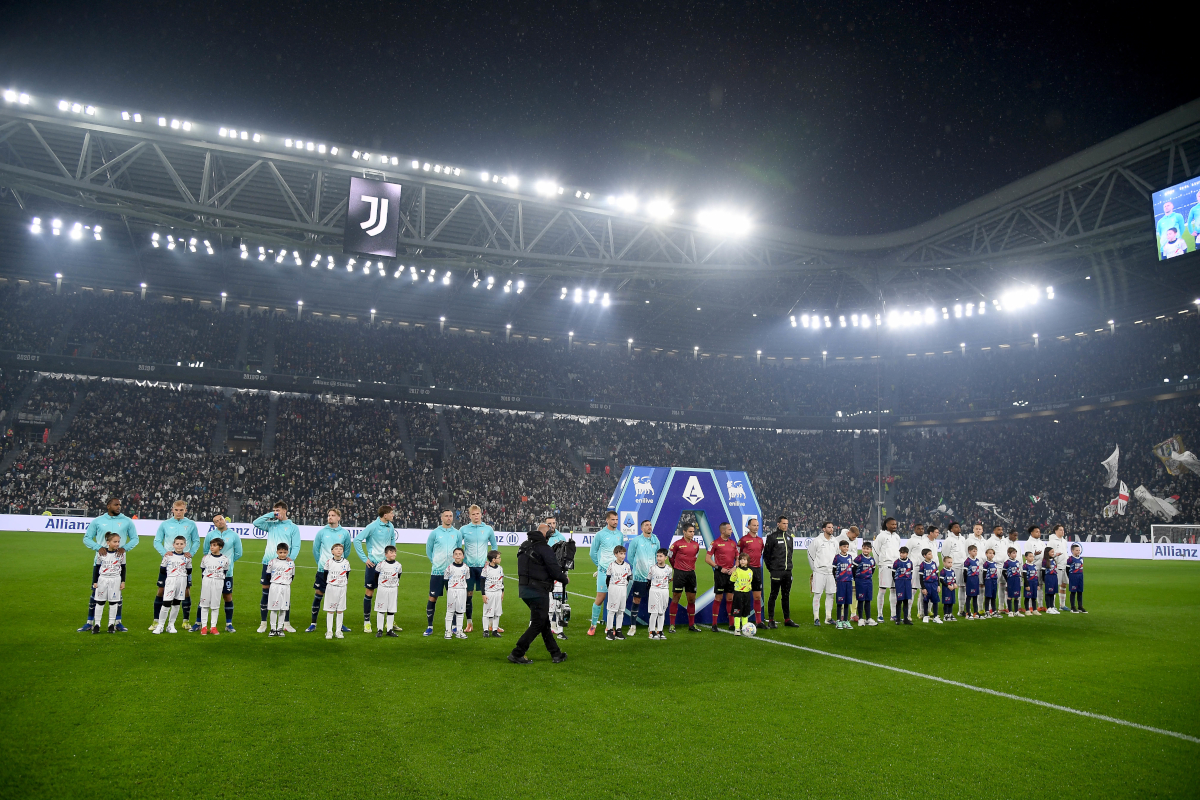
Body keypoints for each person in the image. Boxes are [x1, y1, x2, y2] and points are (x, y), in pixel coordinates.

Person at [509, 524, 569, 664]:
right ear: (545, 535)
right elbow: (554, 571)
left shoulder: (524, 545)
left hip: (524, 589)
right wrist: (564, 578)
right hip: (538, 590)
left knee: (543, 622)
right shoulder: (544, 548)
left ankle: (556, 654)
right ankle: (517, 652)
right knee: (538, 623)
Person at [80, 496, 138, 632]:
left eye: (120, 505)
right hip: (101, 563)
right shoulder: (98, 521)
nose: (119, 507)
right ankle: (90, 622)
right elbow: (87, 538)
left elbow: (135, 539)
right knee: (95, 592)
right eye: (116, 504)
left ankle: (117, 622)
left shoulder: (127, 521)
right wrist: (97, 547)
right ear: (108, 506)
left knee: (117, 594)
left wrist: (125, 548)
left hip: (117, 563)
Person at [152, 500, 200, 632]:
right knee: (161, 590)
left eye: (181, 510)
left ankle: (185, 621)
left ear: (185, 510)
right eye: (176, 510)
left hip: (183, 564)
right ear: (172, 510)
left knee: (185, 591)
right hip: (169, 563)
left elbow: (196, 541)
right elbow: (157, 541)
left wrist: (190, 553)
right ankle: (156, 621)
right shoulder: (165, 524)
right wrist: (165, 553)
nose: (178, 512)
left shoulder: (191, 524)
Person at [254, 502, 301, 634]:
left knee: (284, 593)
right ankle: (263, 623)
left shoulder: (292, 527)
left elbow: (296, 545)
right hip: (268, 562)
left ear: (285, 510)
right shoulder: (271, 524)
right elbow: (256, 523)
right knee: (266, 592)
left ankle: (286, 623)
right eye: (274, 510)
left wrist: (291, 558)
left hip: (284, 564)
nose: (276, 512)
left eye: (278, 510)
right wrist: (271, 515)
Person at [307, 508, 352, 633]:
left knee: (337, 598)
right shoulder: (321, 532)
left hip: (338, 572)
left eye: (333, 515)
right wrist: (321, 563)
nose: (330, 517)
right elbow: (315, 550)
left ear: (339, 518)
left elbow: (347, 550)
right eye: (328, 515)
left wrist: (339, 564)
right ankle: (313, 623)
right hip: (323, 569)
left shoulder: (344, 533)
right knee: (318, 595)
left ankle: (339, 624)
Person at [424, 509, 463, 637]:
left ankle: (453, 626)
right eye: (446, 516)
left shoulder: (457, 534)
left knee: (453, 599)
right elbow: (429, 550)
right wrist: (435, 562)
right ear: (442, 518)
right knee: (432, 597)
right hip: (437, 571)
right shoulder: (435, 533)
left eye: (450, 516)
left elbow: (458, 550)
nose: (448, 518)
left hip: (452, 573)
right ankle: (430, 626)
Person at [459, 504, 497, 633]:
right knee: (468, 596)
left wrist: (491, 559)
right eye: (473, 514)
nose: (476, 516)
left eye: (478, 514)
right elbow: (458, 547)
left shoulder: (488, 529)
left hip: (483, 568)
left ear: (481, 514)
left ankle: (492, 624)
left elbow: (494, 545)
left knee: (489, 595)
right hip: (469, 568)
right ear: (469, 516)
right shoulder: (464, 529)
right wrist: (462, 560)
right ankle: (469, 623)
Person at [201, 514, 241, 633]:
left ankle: (228, 623)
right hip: (210, 573)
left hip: (226, 573)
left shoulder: (234, 535)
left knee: (227, 596)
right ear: (214, 524)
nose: (220, 522)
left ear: (225, 520)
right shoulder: (210, 535)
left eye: (221, 519)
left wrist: (225, 563)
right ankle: (199, 623)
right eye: (216, 521)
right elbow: (205, 551)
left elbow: (239, 553)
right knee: (205, 596)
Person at [587, 510, 623, 636]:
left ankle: (609, 627)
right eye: (613, 519)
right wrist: (600, 566)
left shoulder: (620, 535)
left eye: (617, 519)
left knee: (614, 599)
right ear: (607, 520)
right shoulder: (600, 534)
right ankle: (593, 625)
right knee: (600, 598)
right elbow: (593, 553)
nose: (615, 522)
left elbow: (621, 552)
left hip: (616, 573)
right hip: (603, 572)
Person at [763, 515, 798, 629]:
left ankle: (787, 619)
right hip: (776, 571)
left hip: (788, 571)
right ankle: (771, 620)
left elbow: (790, 554)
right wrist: (772, 569)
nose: (786, 526)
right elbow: (766, 555)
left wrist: (788, 567)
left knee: (786, 595)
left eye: (787, 524)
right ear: (778, 524)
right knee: (773, 595)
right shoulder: (772, 537)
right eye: (783, 523)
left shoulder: (789, 538)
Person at [625, 519, 658, 636]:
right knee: (636, 600)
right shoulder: (636, 541)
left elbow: (657, 556)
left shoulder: (655, 540)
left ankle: (652, 626)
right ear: (642, 528)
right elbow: (630, 556)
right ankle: (632, 626)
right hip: (639, 577)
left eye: (650, 525)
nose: (649, 527)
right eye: (646, 525)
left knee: (653, 601)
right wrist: (639, 567)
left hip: (653, 578)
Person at [152, 536, 191, 634]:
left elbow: (189, 570)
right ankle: (160, 626)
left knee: (177, 603)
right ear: (173, 545)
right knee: (166, 603)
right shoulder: (168, 556)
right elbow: (162, 569)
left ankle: (171, 625)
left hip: (182, 580)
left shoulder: (187, 557)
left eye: (181, 544)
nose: (179, 546)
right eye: (177, 544)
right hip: (171, 580)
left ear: (185, 545)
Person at [668, 521, 702, 633]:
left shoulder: (696, 545)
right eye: (690, 531)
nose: (692, 533)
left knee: (691, 600)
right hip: (679, 574)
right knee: (676, 598)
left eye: (693, 531)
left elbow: (695, 557)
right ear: (684, 532)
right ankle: (672, 625)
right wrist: (676, 568)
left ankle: (691, 625)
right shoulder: (676, 544)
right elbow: (671, 558)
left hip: (691, 574)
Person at [706, 521, 739, 631]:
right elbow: (707, 559)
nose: (731, 531)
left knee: (730, 598)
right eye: (729, 529)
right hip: (720, 574)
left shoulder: (733, 543)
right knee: (718, 598)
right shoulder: (714, 543)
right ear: (723, 531)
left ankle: (731, 624)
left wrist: (735, 567)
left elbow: (738, 558)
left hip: (731, 574)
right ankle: (714, 624)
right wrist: (720, 568)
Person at [90, 533, 126, 634]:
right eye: (115, 542)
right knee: (100, 602)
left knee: (113, 602)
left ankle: (111, 624)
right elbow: (97, 567)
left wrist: (123, 581)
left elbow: (123, 568)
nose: (117, 544)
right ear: (108, 543)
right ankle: (97, 624)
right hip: (103, 579)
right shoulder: (101, 553)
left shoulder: (121, 554)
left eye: (118, 542)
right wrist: (95, 581)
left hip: (115, 579)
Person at [197, 538, 230, 635]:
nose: (212, 547)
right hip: (207, 581)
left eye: (214, 545)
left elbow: (225, 571)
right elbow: (202, 569)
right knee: (204, 604)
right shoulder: (205, 558)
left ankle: (213, 627)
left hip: (218, 581)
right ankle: (204, 627)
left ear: (220, 547)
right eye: (211, 545)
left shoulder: (224, 559)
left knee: (215, 605)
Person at [808, 520, 838, 627]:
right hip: (819, 572)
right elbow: (810, 554)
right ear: (824, 529)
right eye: (829, 527)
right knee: (817, 595)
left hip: (831, 573)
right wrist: (814, 569)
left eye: (832, 527)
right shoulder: (817, 541)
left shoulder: (835, 541)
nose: (831, 529)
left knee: (830, 595)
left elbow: (837, 556)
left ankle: (828, 617)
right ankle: (816, 618)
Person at [873, 516, 901, 623]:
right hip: (885, 566)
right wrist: (880, 564)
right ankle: (880, 615)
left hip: (895, 567)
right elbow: (875, 551)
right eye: (892, 524)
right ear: (886, 525)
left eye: (895, 524)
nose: (894, 526)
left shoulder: (897, 537)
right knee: (882, 590)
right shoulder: (881, 536)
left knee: (894, 590)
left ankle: (893, 614)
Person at [737, 517, 765, 625]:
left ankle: (758, 621)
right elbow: (738, 554)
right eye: (754, 525)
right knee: (743, 596)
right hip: (745, 570)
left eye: (757, 525)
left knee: (757, 596)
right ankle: (740, 619)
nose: (756, 527)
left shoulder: (760, 540)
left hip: (757, 570)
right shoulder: (743, 540)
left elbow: (760, 553)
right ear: (748, 527)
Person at [266, 543, 296, 636]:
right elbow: (268, 574)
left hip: (286, 586)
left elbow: (292, 575)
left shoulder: (291, 563)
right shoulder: (272, 562)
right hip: (275, 586)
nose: (282, 554)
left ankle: (280, 628)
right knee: (274, 608)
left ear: (287, 552)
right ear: (277, 552)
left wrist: (286, 581)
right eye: (280, 552)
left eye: (284, 552)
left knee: (284, 608)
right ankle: (272, 628)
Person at [323, 542, 352, 639]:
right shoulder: (328, 562)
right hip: (331, 587)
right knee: (330, 610)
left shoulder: (346, 562)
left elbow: (347, 574)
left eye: (340, 549)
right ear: (332, 551)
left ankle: (338, 631)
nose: (338, 550)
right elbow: (325, 574)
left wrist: (343, 582)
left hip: (342, 587)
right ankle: (329, 631)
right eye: (336, 549)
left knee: (340, 610)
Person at [374, 545, 403, 637]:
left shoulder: (398, 565)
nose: (393, 554)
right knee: (381, 609)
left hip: (393, 589)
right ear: (386, 554)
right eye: (391, 552)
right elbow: (375, 576)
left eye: (394, 552)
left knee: (391, 610)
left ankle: (389, 630)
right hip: (382, 589)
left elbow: (398, 576)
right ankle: (380, 630)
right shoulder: (381, 564)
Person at [605, 545, 632, 640]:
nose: (623, 556)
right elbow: (608, 579)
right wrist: (612, 588)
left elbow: (628, 578)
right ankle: (609, 631)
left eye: (624, 554)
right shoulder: (611, 565)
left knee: (621, 610)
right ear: (616, 554)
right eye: (621, 554)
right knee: (612, 610)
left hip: (623, 589)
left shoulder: (627, 566)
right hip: (614, 588)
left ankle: (619, 630)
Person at [443, 548, 470, 639]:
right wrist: (449, 590)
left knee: (460, 611)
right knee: (450, 611)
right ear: (453, 556)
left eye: (460, 554)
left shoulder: (466, 568)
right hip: (452, 590)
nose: (458, 556)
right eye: (456, 554)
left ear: (463, 556)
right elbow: (446, 580)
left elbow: (467, 579)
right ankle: (448, 631)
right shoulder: (449, 568)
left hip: (462, 590)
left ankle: (459, 631)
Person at [942, 521, 966, 615]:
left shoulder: (963, 539)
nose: (958, 528)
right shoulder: (949, 540)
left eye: (959, 526)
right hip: (954, 566)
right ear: (951, 529)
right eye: (956, 527)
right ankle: (948, 611)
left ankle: (961, 610)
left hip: (962, 565)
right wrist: (948, 565)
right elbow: (945, 554)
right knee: (951, 587)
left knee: (962, 587)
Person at [647, 549, 672, 640]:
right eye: (657, 556)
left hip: (664, 591)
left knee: (662, 612)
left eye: (660, 556)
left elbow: (669, 579)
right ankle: (652, 631)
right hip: (654, 590)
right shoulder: (652, 568)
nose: (658, 558)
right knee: (654, 612)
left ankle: (660, 631)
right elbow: (649, 580)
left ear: (666, 557)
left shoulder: (669, 569)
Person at [852, 540, 877, 627]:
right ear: (862, 548)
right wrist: (857, 578)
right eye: (864, 548)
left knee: (868, 600)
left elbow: (873, 570)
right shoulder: (858, 558)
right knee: (860, 600)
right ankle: (861, 618)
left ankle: (868, 618)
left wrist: (868, 576)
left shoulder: (872, 560)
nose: (865, 550)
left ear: (870, 550)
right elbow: (853, 569)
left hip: (868, 582)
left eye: (867, 549)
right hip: (860, 581)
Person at [1046, 524, 1070, 611]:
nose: (1062, 531)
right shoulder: (1052, 541)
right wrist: (1055, 555)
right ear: (1055, 531)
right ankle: (1052, 605)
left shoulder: (1064, 541)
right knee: (1054, 586)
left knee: (1064, 585)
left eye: (1063, 530)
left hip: (1065, 565)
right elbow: (1048, 552)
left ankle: (1062, 605)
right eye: (1060, 530)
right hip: (1057, 566)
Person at [730, 553, 754, 635]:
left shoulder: (750, 571)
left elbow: (750, 582)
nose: (742, 561)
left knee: (745, 611)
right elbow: (732, 580)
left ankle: (745, 628)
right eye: (741, 559)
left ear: (748, 561)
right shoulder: (737, 571)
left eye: (744, 559)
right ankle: (737, 628)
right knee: (737, 611)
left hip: (746, 594)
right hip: (738, 594)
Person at [1023, 526, 1046, 612]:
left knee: (1040, 586)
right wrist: (1035, 554)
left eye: (1039, 531)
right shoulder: (1028, 543)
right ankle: (1030, 606)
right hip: (1032, 568)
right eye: (1036, 532)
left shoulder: (1042, 542)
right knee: (1031, 586)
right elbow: (1028, 555)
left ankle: (1040, 605)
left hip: (1041, 566)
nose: (1039, 533)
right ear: (1031, 533)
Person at [832, 540, 854, 630]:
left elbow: (852, 569)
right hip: (840, 582)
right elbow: (833, 570)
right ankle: (838, 620)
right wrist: (836, 579)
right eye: (844, 546)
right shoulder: (837, 557)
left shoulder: (850, 557)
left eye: (847, 547)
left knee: (847, 602)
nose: (846, 548)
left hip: (848, 581)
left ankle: (845, 620)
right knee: (840, 601)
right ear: (840, 547)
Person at [482, 550, 504, 637]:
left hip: (498, 592)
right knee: (487, 612)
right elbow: (482, 582)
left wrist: (502, 592)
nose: (500, 559)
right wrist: (483, 594)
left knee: (497, 612)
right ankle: (486, 630)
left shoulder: (500, 568)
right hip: (489, 593)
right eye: (499, 558)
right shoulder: (486, 569)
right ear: (493, 559)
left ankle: (494, 630)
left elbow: (501, 581)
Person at [918, 548, 941, 624]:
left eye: (931, 553)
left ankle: (935, 616)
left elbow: (937, 575)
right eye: (929, 554)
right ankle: (925, 616)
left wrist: (938, 585)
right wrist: (923, 587)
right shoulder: (922, 565)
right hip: (926, 584)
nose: (931, 555)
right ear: (924, 555)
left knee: (935, 600)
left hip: (934, 584)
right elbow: (921, 577)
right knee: (925, 600)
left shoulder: (934, 564)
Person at [892, 546, 914, 625]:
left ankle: (905, 618)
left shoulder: (910, 562)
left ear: (907, 554)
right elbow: (893, 573)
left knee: (906, 601)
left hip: (907, 583)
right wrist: (897, 581)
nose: (902, 554)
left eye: (903, 553)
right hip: (900, 583)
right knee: (899, 601)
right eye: (901, 553)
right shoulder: (896, 562)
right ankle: (897, 618)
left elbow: (911, 572)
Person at [1003, 547, 1023, 616]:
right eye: (1013, 553)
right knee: (1010, 595)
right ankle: (1010, 611)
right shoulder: (1007, 562)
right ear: (1009, 554)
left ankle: (1016, 611)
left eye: (1016, 553)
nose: (1015, 554)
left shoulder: (1017, 562)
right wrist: (1007, 579)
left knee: (1016, 595)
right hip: (1011, 580)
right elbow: (1003, 572)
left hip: (1017, 579)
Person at [963, 545, 981, 619]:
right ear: (969, 552)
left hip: (976, 579)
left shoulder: (977, 560)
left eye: (976, 551)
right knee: (969, 596)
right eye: (974, 551)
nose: (975, 552)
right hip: (970, 580)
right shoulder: (967, 561)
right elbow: (965, 572)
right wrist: (966, 581)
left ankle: (975, 612)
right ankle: (968, 612)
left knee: (975, 596)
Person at [1066, 544, 1086, 613]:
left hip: (1080, 576)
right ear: (1072, 551)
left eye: (1079, 550)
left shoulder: (1081, 558)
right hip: (1073, 576)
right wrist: (1069, 577)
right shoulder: (1070, 559)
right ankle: (1072, 607)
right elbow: (1067, 569)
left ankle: (1080, 607)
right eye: (1076, 550)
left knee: (1080, 591)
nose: (1078, 551)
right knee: (1073, 592)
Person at [1041, 549, 1061, 615]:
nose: (1053, 553)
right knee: (1048, 592)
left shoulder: (1053, 560)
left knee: (1053, 592)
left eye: (1053, 552)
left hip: (1054, 577)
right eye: (1051, 552)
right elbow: (1043, 571)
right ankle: (1048, 607)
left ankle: (1052, 607)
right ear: (1047, 553)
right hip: (1048, 577)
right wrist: (1044, 579)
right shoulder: (1045, 561)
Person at [938, 556, 958, 622]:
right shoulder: (943, 571)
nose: (950, 564)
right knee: (946, 602)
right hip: (946, 589)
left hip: (952, 589)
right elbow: (941, 580)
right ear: (944, 563)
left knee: (951, 602)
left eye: (951, 562)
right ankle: (945, 615)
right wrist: (947, 586)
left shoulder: (952, 571)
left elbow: (954, 579)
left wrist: (954, 584)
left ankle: (950, 614)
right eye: (948, 562)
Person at [1021, 551, 1041, 615]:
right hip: (1029, 583)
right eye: (1030, 556)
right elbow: (1024, 576)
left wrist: (1038, 584)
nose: (1032, 558)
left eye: (1032, 556)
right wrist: (1027, 585)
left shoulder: (1034, 566)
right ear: (1026, 557)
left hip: (1034, 583)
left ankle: (1034, 610)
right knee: (1027, 597)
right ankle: (1027, 610)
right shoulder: (1025, 566)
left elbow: (1036, 576)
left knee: (1034, 597)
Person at [982, 548, 1000, 617]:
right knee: (988, 596)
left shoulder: (995, 563)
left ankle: (994, 611)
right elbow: (984, 573)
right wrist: (984, 582)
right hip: (988, 580)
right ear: (986, 554)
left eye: (992, 553)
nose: (991, 554)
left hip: (994, 581)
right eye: (989, 553)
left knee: (993, 596)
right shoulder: (986, 563)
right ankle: (987, 611)